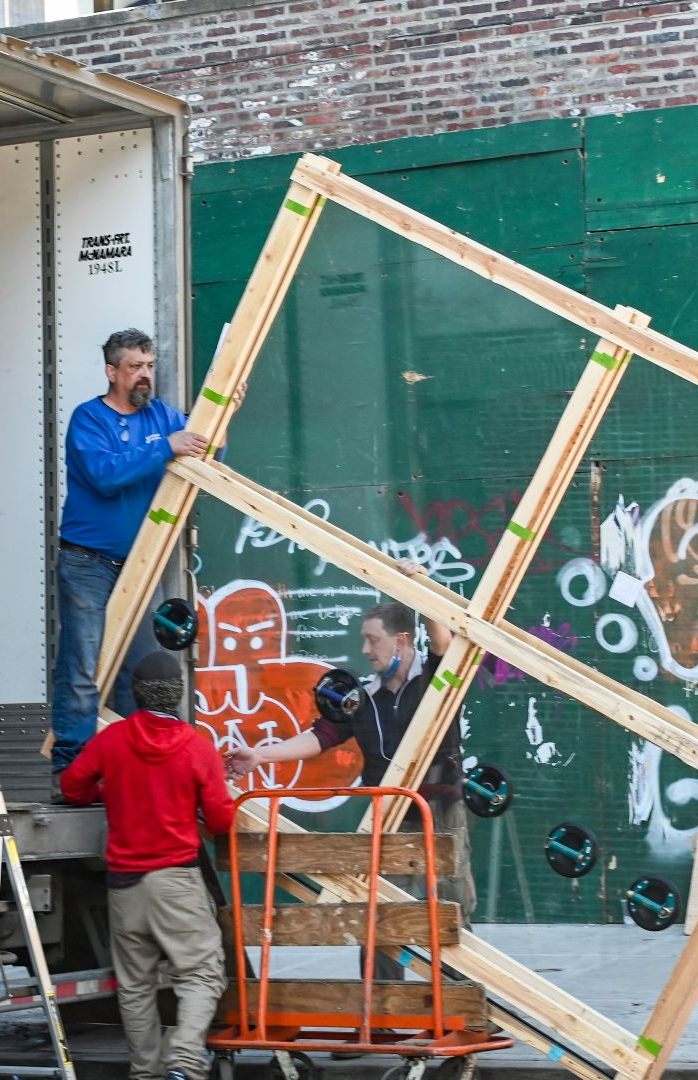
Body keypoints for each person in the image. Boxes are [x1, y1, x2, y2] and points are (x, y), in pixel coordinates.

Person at [226, 558, 477, 932]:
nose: (365, 649)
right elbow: (318, 738)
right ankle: (378, 990)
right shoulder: (363, 694)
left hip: (440, 806)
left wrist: (422, 585)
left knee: (455, 902)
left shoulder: (435, 678)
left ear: (401, 641)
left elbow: (442, 641)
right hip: (389, 811)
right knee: (382, 910)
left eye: (372, 639)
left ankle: (457, 985)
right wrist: (260, 754)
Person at [60, 652, 236, 1080]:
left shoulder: (112, 740)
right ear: (178, 694)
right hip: (175, 882)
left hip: (124, 887)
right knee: (201, 974)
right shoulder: (196, 747)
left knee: (135, 988)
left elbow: (71, 786)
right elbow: (221, 819)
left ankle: (147, 1073)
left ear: (136, 693)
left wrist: (105, 789)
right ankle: (185, 1062)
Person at [51, 329, 208, 782]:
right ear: (111, 372)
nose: (145, 376)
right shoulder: (89, 419)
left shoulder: (161, 415)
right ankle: (74, 772)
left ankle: (135, 774)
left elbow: (209, 448)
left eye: (149, 366)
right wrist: (164, 446)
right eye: (135, 367)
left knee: (139, 673)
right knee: (82, 666)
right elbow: (104, 475)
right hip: (87, 563)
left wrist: (226, 411)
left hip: (142, 564)